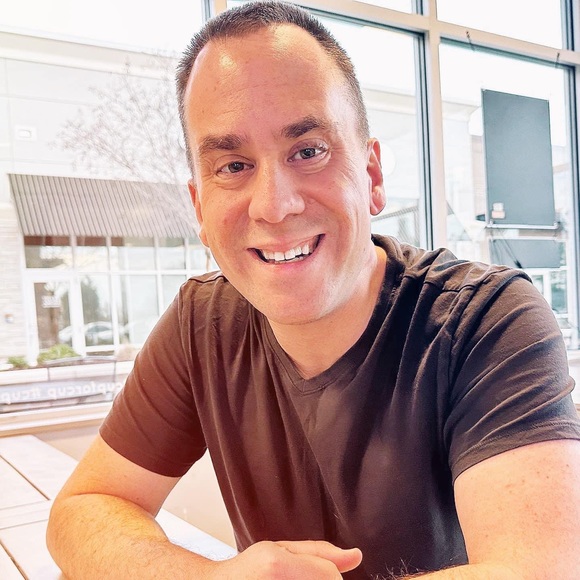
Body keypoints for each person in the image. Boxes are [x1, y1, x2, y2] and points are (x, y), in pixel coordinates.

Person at [46, 1, 580, 578]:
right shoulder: (203, 324)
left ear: (372, 176)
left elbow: (541, 568)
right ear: (199, 207)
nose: (275, 205)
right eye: (233, 166)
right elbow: (83, 508)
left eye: (308, 151)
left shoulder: (486, 321)